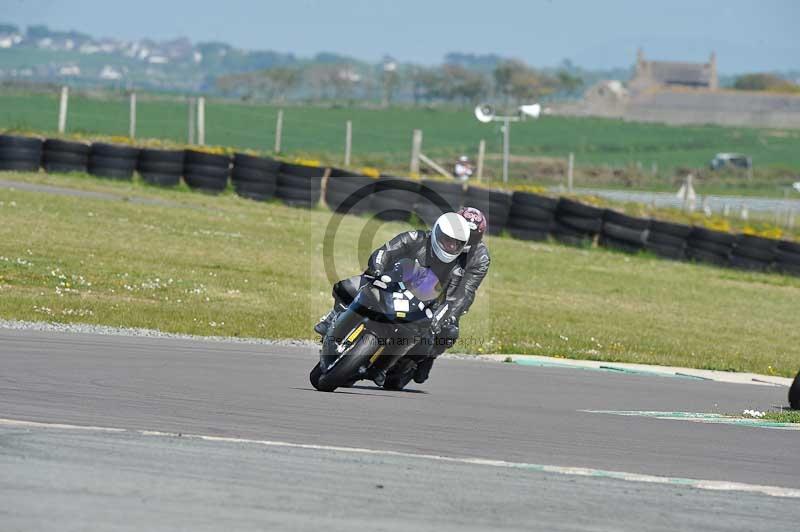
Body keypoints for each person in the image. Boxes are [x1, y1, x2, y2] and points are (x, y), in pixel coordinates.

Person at [315, 207, 490, 386]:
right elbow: (387, 251)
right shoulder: (420, 238)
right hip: (396, 280)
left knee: (447, 332)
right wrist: (377, 269)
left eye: (467, 237)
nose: (454, 243)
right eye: (451, 237)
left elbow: (464, 292)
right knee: (348, 287)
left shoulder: (477, 259)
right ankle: (333, 318)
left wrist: (447, 315)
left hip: (437, 300)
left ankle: (414, 362)